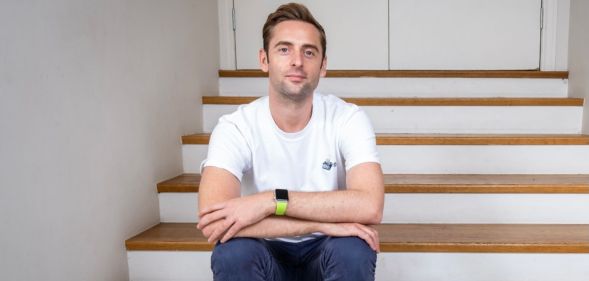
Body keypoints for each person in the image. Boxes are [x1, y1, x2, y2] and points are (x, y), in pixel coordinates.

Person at [197, 3, 384, 281]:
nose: (297, 60)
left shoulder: (347, 118)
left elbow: (370, 205)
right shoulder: (236, 126)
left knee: (353, 251)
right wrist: (321, 223)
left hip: (326, 249)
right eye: (284, 49)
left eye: (309, 52)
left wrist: (272, 201)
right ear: (264, 60)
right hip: (265, 249)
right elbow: (213, 219)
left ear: (323, 66)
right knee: (232, 254)